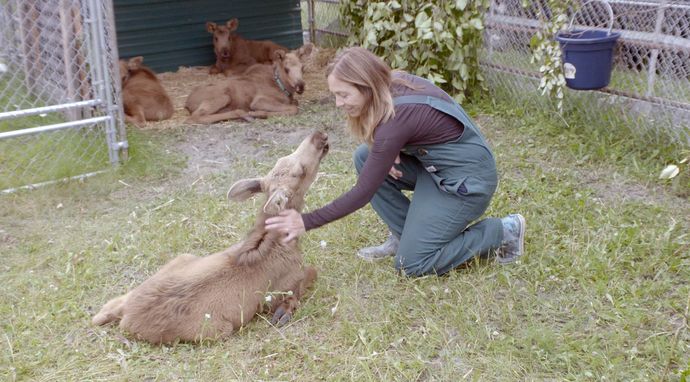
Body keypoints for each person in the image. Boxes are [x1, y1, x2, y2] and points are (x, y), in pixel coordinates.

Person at [265, 47, 525, 276]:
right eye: (335, 94)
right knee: (364, 157)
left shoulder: (395, 120)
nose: (337, 103)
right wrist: (388, 149)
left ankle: (504, 230)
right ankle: (405, 236)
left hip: (465, 182)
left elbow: (363, 193)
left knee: (413, 263)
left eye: (343, 95)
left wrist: (306, 221)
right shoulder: (389, 86)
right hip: (436, 168)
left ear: (366, 85)